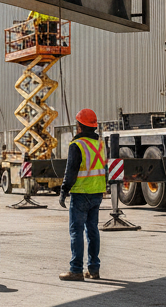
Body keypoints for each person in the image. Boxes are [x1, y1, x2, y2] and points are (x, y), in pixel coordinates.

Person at [58, 108, 107, 281]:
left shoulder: (77, 144)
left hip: (81, 193)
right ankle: (94, 270)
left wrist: (64, 190)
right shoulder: (100, 143)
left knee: (76, 231)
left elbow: (71, 170)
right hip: (97, 193)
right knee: (92, 230)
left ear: (79, 126)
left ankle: (76, 270)